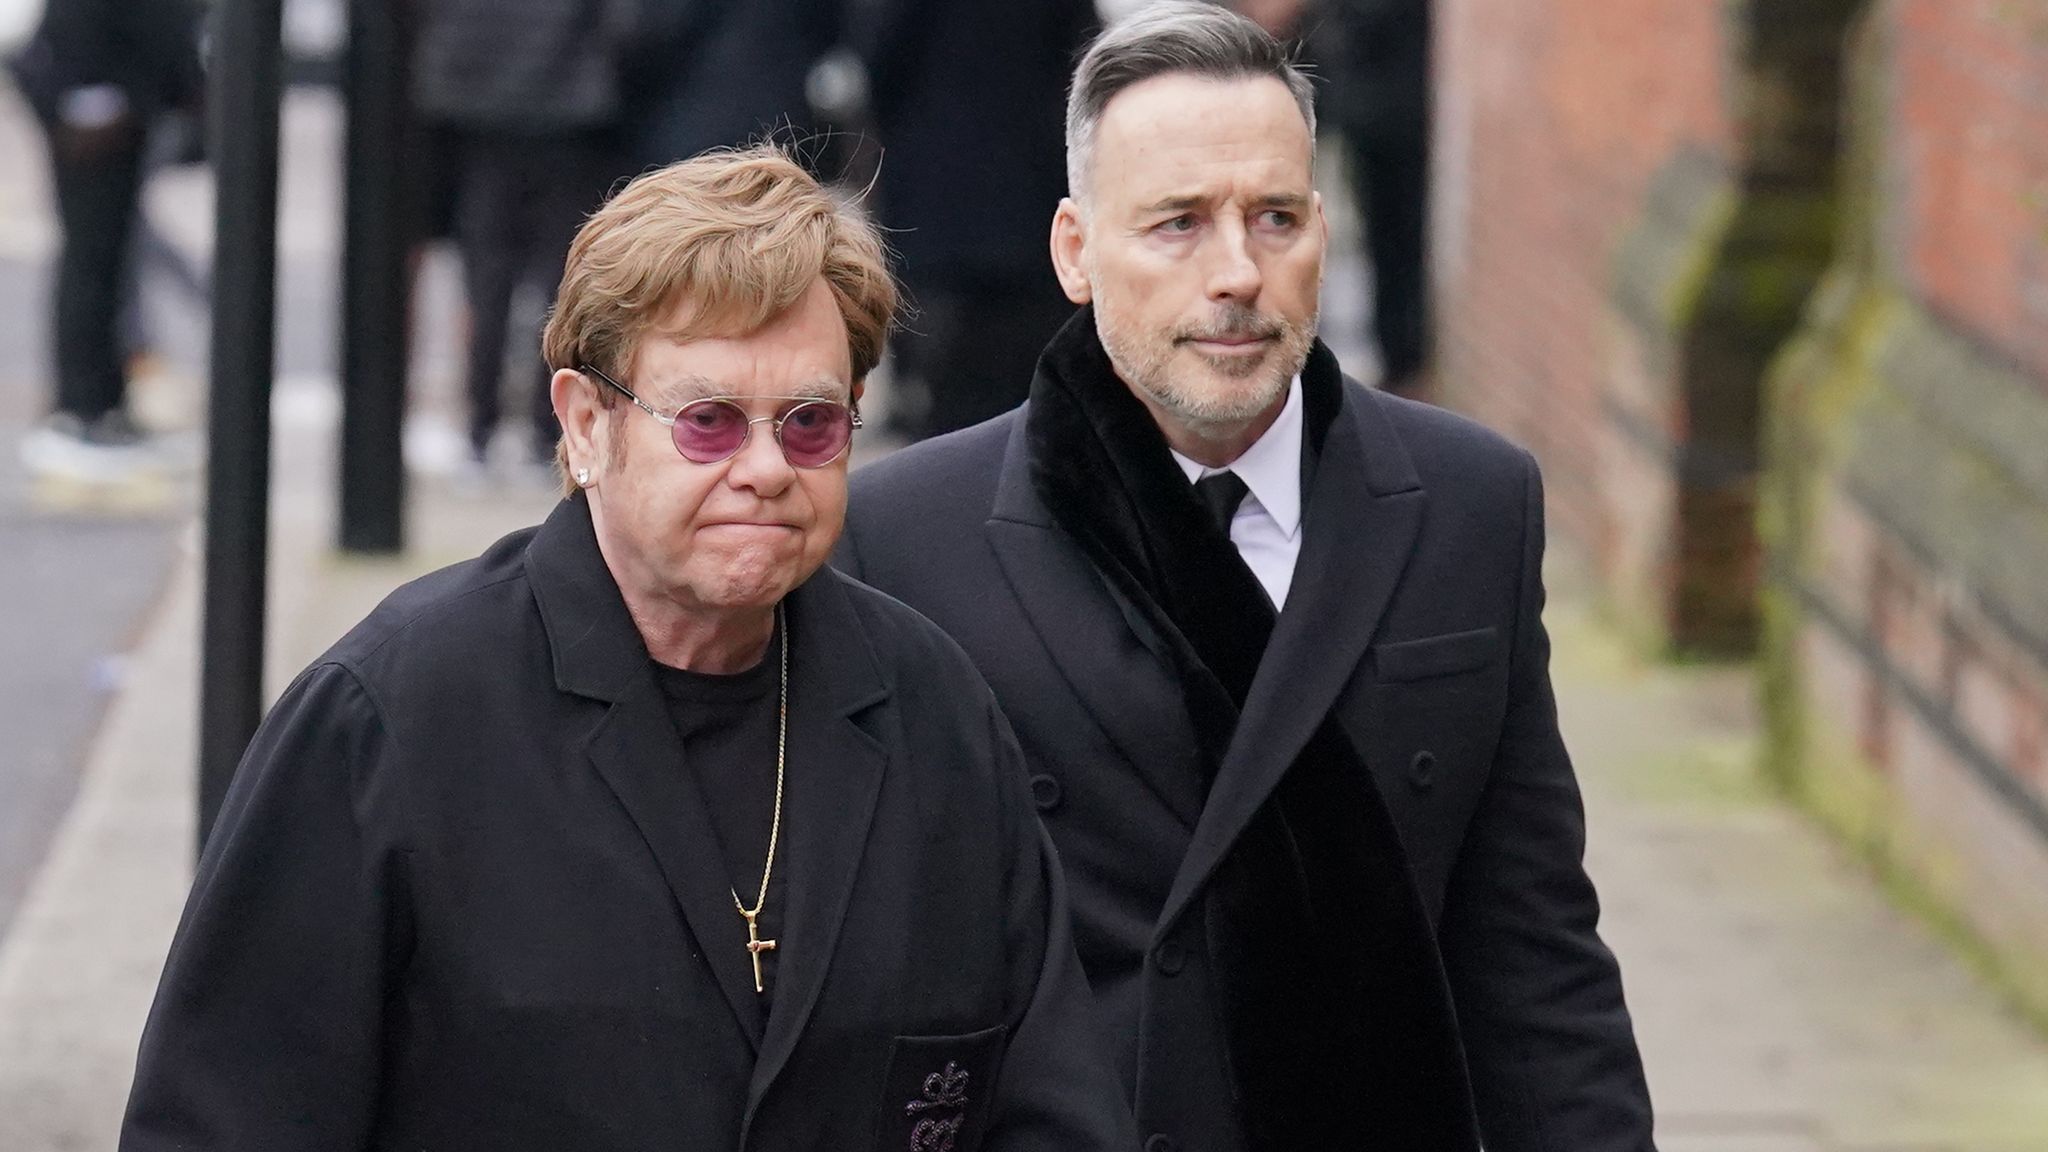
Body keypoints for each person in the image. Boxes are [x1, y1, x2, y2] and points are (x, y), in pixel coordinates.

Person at [121, 148, 1134, 1152]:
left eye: (812, 423)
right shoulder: (390, 721)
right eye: (708, 423)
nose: (767, 469)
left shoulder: (931, 706)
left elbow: (1045, 1105)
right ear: (585, 424)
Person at [835, 6, 1655, 1150]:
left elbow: (1530, 950)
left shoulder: (1471, 504)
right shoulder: (902, 540)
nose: (1236, 273)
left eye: (1273, 218)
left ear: (1323, 230)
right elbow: (878, 983)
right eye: (1176, 224)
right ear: (1074, 251)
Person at [853, 0, 1096, 438]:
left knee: (944, 398)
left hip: (940, 195)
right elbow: (1083, 56)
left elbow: (878, 58)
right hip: (1031, 192)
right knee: (1029, 388)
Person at [411, 0, 626, 468]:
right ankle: (544, 426)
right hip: (567, 103)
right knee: (559, 275)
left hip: (481, 97)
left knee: (487, 275)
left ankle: (479, 427)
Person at [8, 0, 203, 483]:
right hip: (94, 99)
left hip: (126, 95)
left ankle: (105, 408)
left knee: (114, 260)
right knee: (93, 260)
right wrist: (88, 98)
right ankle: (81, 412)